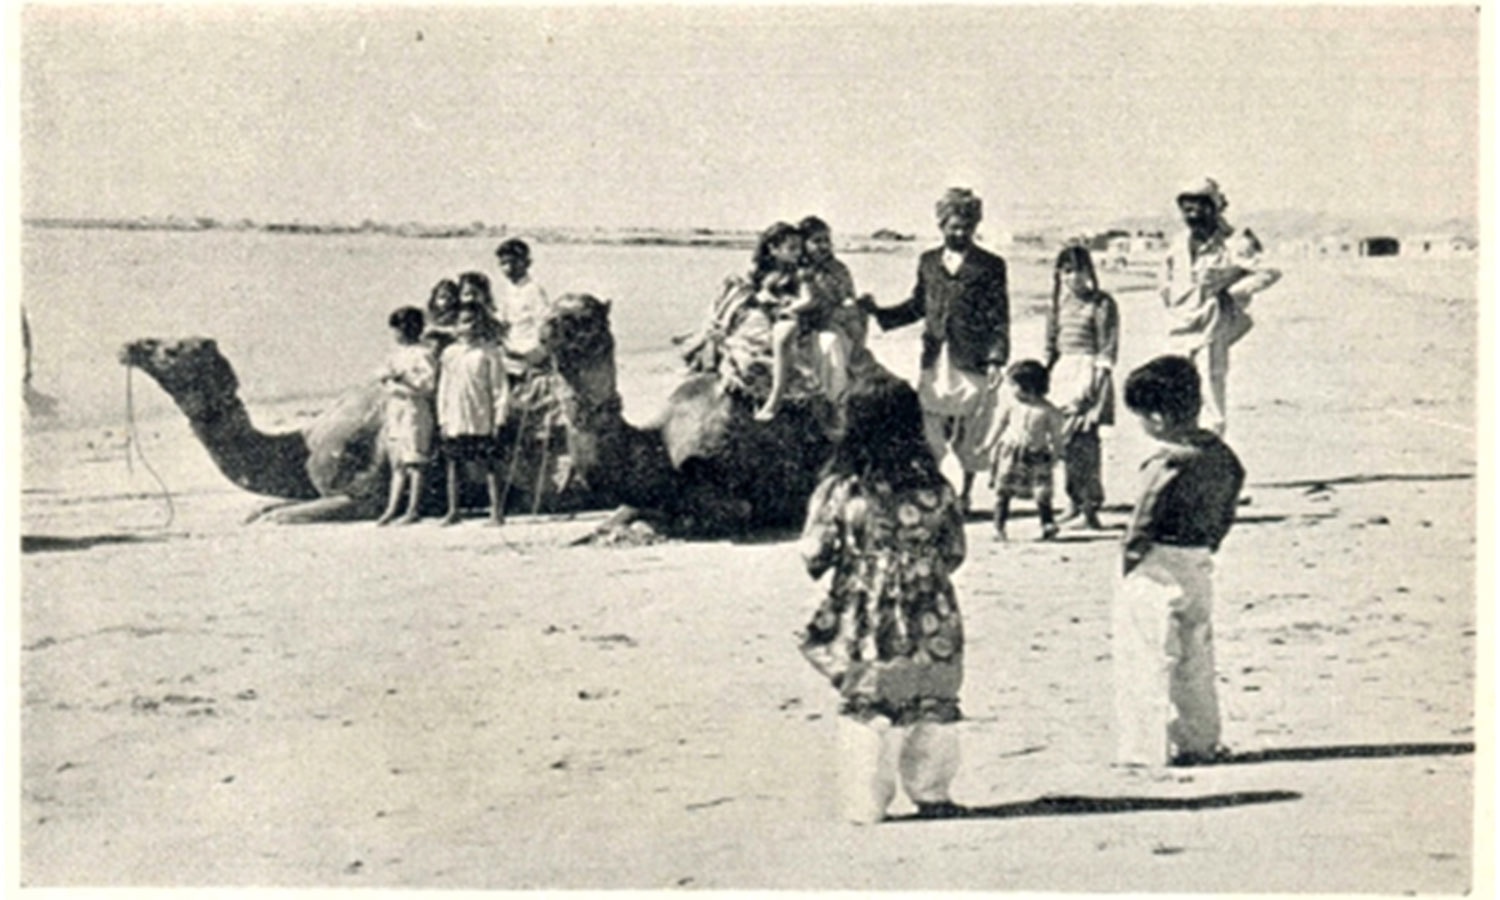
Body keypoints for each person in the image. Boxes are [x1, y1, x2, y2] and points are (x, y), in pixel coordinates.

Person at [797, 377, 968, 824]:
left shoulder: (843, 490)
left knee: (869, 700)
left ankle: (866, 803)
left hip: (866, 607)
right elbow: (955, 551)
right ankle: (933, 793)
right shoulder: (937, 487)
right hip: (931, 603)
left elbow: (813, 552)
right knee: (933, 696)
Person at [1113, 355, 1245, 769]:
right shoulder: (1221, 455)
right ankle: (1199, 741)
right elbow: (1229, 505)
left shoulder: (1167, 460)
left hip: (1158, 562)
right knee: (1195, 655)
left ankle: (1144, 749)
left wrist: (1130, 557)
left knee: (1148, 656)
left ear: (1157, 416)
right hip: (1198, 558)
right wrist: (1211, 542)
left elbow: (1144, 515)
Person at [861, 187, 1009, 512]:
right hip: (935, 356)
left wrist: (997, 359)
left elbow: (999, 317)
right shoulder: (928, 262)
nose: (960, 232)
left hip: (973, 356)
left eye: (966, 226)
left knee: (973, 428)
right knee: (932, 427)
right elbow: (918, 306)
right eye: (953, 226)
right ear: (940, 225)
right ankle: (940, 490)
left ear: (975, 225)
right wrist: (879, 313)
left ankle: (967, 494)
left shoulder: (991, 265)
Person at [1159, 177, 1281, 435]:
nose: (1192, 214)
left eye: (1199, 207)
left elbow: (1269, 271)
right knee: (1176, 394)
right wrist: (1173, 300)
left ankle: (1212, 463)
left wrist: (1232, 289)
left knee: (1211, 395)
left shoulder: (1235, 241)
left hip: (1211, 330)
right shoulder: (1178, 243)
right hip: (1178, 329)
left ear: (1214, 207)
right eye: (1187, 208)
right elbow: (1165, 278)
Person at [1045, 246, 1119, 529]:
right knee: (1063, 443)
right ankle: (1072, 502)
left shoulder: (1102, 304)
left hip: (1090, 372)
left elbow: (1107, 348)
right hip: (1062, 375)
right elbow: (1050, 348)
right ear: (1059, 274)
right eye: (1067, 271)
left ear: (1089, 271)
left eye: (1079, 270)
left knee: (1086, 442)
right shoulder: (1056, 305)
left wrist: (1094, 386)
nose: (1073, 277)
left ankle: (1090, 507)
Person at [436, 300, 511, 526]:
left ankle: (496, 512)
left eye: (475, 321)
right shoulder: (449, 353)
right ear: (456, 326)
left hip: (481, 416)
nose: (471, 326)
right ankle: (453, 510)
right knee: (454, 465)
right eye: (465, 321)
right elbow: (444, 387)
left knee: (489, 465)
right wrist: (443, 418)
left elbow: (500, 387)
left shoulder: (490, 352)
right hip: (455, 417)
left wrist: (500, 417)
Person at [984, 360, 1064, 541]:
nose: (1011, 390)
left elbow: (1056, 435)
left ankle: (1047, 524)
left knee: (1041, 492)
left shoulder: (1048, 410)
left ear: (1029, 386)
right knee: (1003, 490)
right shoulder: (1011, 406)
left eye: (1014, 385)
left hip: (1038, 455)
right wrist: (988, 444)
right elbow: (999, 425)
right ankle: (998, 526)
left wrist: (1058, 453)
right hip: (1010, 454)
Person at [375, 306, 438, 526]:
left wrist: (403, 380)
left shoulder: (424, 353)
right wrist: (390, 380)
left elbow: (428, 385)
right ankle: (392, 508)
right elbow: (382, 375)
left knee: (415, 460)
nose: (397, 334)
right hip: (396, 407)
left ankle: (413, 508)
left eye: (400, 329)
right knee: (398, 462)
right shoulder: (395, 354)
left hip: (415, 407)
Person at [493, 238, 554, 381]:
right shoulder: (508, 289)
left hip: (526, 356)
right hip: (508, 351)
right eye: (503, 264)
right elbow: (502, 319)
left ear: (527, 263)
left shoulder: (534, 291)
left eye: (513, 262)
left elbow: (543, 325)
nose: (508, 268)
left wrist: (533, 354)